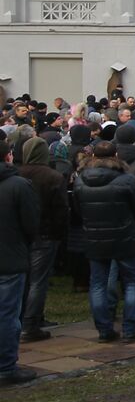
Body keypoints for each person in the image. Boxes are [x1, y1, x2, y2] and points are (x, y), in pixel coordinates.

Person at [74, 140, 135, 342]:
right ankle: (129, 328)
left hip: (96, 237)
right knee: (132, 281)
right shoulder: (126, 179)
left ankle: (104, 329)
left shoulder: (80, 180)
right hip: (124, 236)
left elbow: (77, 210)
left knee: (98, 283)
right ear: (115, 155)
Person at [18, 136, 66, 342]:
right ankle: (31, 324)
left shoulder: (17, 174)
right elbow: (61, 210)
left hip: (21, 234)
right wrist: (60, 233)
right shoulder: (53, 177)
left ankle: (22, 319)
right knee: (38, 281)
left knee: (23, 279)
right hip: (45, 233)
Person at [0, 137, 40, 385]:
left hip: (10, 255)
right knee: (7, 315)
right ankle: (5, 366)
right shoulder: (18, 186)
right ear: (9, 157)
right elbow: (31, 225)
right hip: (10, 259)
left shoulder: (18, 184)